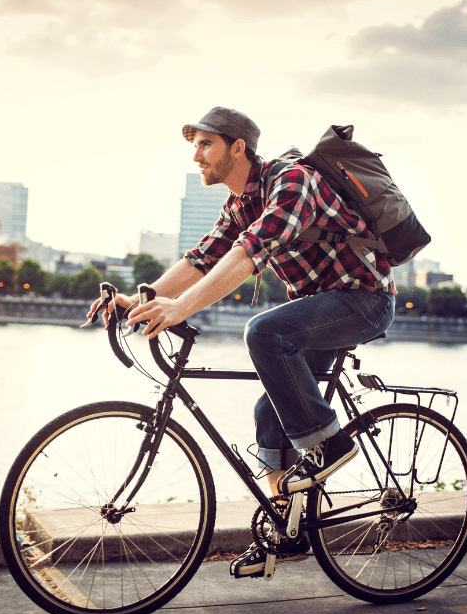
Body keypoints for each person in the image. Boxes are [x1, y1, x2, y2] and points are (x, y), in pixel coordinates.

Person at [91, 107, 395, 577]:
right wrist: (140, 299)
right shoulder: (238, 204)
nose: (196, 155)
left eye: (205, 144)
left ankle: (331, 447)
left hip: (364, 301)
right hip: (319, 310)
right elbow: (202, 258)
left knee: (264, 331)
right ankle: (291, 534)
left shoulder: (292, 181)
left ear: (238, 147)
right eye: (194, 145)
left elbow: (249, 253)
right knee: (268, 413)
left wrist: (181, 309)